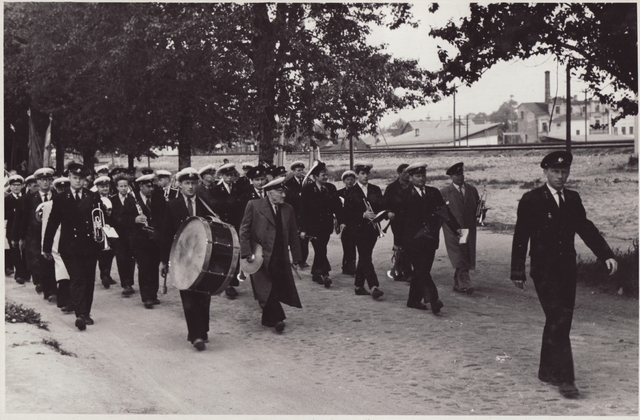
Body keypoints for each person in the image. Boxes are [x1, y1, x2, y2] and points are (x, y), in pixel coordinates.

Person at [510, 151, 617, 399]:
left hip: (567, 270)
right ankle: (566, 379)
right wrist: (517, 271)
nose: (561, 176)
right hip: (543, 271)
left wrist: (606, 255)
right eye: (556, 172)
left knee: (560, 321)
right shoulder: (531, 199)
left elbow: (586, 228)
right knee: (558, 319)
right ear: (545, 172)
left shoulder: (573, 199)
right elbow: (520, 237)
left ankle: (546, 371)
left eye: (564, 171)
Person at [43, 163, 106, 331]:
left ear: (85, 180)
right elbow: (52, 223)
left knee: (88, 280)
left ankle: (86, 312)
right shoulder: (60, 198)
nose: (78, 181)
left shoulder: (92, 196)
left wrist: (103, 239)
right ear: (69, 178)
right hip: (70, 247)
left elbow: (100, 219)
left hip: (90, 246)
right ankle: (80, 314)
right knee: (77, 279)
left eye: (81, 179)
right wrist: (46, 247)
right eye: (75, 178)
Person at [393, 163, 462, 314]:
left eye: (423, 176)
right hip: (411, 240)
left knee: (421, 270)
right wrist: (397, 242)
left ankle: (413, 300)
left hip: (430, 239)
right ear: (410, 177)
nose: (421, 179)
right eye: (417, 176)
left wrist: (456, 228)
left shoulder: (433, 193)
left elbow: (444, 212)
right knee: (422, 270)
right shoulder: (403, 195)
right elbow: (398, 221)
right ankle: (433, 299)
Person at [161, 167, 217, 351]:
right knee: (188, 294)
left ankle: (202, 329)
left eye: (193, 183)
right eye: (187, 183)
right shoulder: (172, 205)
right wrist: (164, 260)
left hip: (203, 256)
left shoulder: (206, 203)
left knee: (203, 295)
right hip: (182, 257)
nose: (191, 187)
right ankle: (196, 334)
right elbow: (166, 234)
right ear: (180, 184)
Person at [239, 176, 302, 332]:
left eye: (284, 192)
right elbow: (244, 230)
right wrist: (246, 252)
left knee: (276, 283)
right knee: (265, 285)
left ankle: (268, 319)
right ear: (269, 192)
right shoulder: (254, 205)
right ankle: (278, 318)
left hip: (280, 255)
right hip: (261, 254)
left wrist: (297, 256)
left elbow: (293, 233)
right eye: (280, 192)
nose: (284, 195)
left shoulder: (288, 209)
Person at [343, 162, 386, 300]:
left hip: (372, 229)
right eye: (362, 174)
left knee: (365, 255)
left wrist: (381, 215)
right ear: (357, 175)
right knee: (366, 256)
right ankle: (374, 286)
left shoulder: (375, 189)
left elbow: (381, 206)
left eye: (367, 173)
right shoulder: (350, 191)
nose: (365, 176)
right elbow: (347, 213)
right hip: (357, 229)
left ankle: (359, 286)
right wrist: (362, 214)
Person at [299, 161, 344, 288]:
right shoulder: (307, 189)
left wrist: (341, 221)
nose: (325, 177)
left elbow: (337, 207)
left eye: (326, 174)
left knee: (321, 248)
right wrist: (303, 229)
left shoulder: (331, 188)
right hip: (312, 227)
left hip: (326, 226)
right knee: (320, 249)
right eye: (323, 175)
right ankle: (324, 274)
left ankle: (316, 272)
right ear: (315, 177)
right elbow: (303, 210)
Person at [14, 168, 57, 299]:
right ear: (37, 182)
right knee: (38, 262)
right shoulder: (29, 198)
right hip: (34, 235)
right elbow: (24, 219)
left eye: (47, 180)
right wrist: (20, 238)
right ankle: (46, 289)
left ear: (51, 181)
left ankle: (52, 289)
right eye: (42, 180)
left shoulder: (58, 197)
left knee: (52, 261)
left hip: (53, 235)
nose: (45, 183)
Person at [126, 174, 166, 309]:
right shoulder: (132, 200)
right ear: (141, 186)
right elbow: (122, 218)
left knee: (154, 266)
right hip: (140, 240)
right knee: (144, 267)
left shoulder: (159, 199)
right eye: (148, 186)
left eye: (152, 186)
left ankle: (153, 294)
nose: (151, 189)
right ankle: (146, 297)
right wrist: (134, 219)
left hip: (155, 239)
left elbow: (164, 218)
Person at [440, 162, 480, 294]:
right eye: (456, 175)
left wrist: (481, 214)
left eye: (461, 174)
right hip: (452, 229)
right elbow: (441, 211)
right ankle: (465, 282)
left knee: (466, 252)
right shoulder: (444, 192)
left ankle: (458, 283)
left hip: (469, 227)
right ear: (451, 177)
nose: (460, 177)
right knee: (458, 253)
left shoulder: (472, 190)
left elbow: (477, 208)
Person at [211, 162, 242, 298]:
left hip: (236, 226)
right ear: (222, 176)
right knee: (224, 253)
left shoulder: (239, 189)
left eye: (232, 175)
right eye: (227, 175)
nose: (230, 178)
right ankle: (225, 283)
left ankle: (232, 282)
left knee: (236, 253)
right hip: (222, 227)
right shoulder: (215, 191)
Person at [384, 163, 413, 283]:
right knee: (401, 246)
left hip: (412, 221)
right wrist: (388, 213)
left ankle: (401, 270)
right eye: (404, 172)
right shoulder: (391, 188)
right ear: (399, 173)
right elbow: (384, 204)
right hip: (397, 221)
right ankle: (406, 272)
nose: (407, 175)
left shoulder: (414, 186)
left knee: (409, 246)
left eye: (409, 173)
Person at [109, 175, 137, 296]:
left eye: (126, 186)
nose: (124, 188)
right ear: (117, 187)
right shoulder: (112, 200)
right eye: (121, 186)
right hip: (117, 235)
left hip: (130, 234)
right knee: (121, 259)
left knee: (131, 259)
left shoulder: (132, 199)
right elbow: (109, 218)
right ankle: (125, 284)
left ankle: (129, 282)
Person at [284, 161, 310, 268]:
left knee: (305, 239)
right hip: (294, 213)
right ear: (293, 172)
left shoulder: (307, 182)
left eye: (302, 170)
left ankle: (303, 260)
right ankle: (296, 259)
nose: (300, 172)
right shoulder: (288, 183)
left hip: (304, 214)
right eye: (298, 171)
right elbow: (289, 198)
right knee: (295, 238)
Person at [94, 175, 117, 288]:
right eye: (102, 187)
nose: (104, 189)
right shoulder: (94, 200)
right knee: (101, 253)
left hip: (112, 229)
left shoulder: (113, 198)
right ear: (97, 187)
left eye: (106, 186)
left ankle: (107, 274)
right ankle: (104, 275)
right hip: (99, 230)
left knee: (110, 253)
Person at [5, 175, 28, 281]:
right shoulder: (6, 199)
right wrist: (14, 212)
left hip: (24, 229)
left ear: (22, 186)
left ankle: (25, 273)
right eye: (14, 185)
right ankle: (19, 274)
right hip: (11, 229)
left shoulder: (26, 198)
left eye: (18, 185)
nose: (16, 187)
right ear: (10, 186)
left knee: (25, 251)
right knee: (15, 252)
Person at [337, 170, 357, 275]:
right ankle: (346, 267)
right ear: (344, 181)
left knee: (353, 245)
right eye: (347, 180)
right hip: (344, 222)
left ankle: (352, 267)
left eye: (352, 179)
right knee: (346, 245)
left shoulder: (357, 192)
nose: (350, 182)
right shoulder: (339, 193)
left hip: (355, 222)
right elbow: (337, 209)